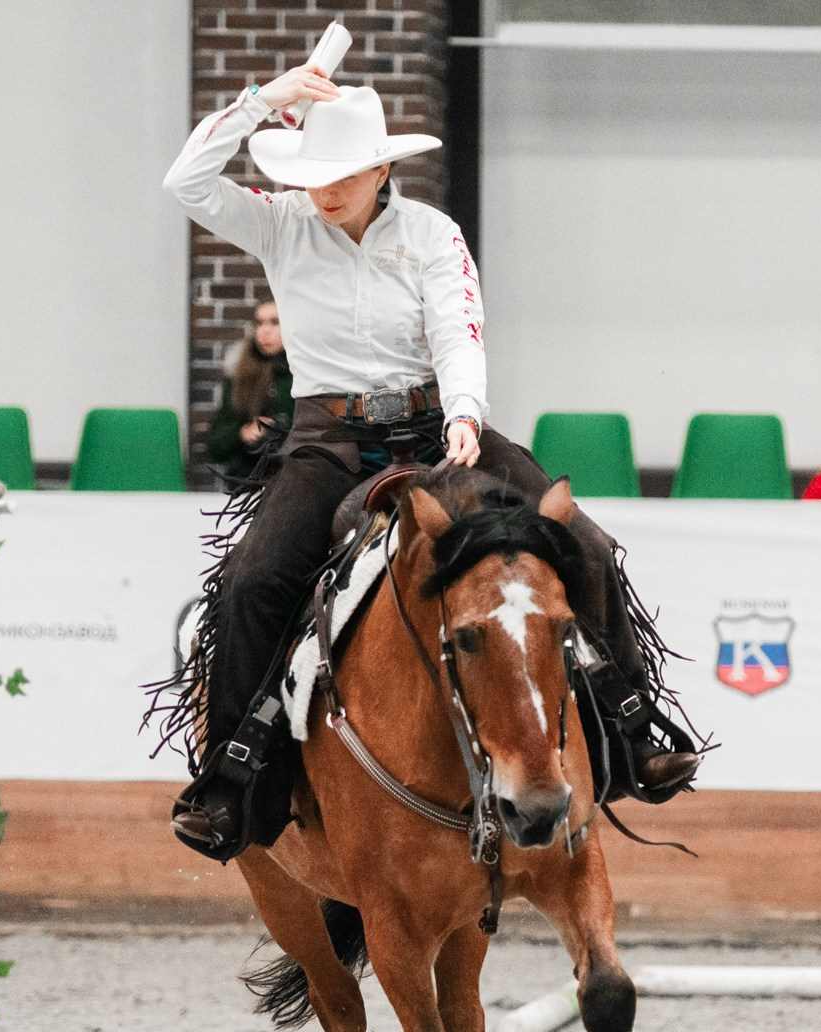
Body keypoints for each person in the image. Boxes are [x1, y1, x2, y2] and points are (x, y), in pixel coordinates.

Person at [159, 63, 699, 860]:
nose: (326, 191)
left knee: (585, 545)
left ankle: (630, 723)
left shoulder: (433, 235)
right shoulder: (279, 223)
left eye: (344, 174)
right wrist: (264, 103)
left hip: (438, 427)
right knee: (253, 580)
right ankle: (236, 778)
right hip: (324, 443)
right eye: (315, 175)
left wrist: (465, 415)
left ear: (383, 169)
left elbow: (457, 330)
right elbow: (187, 180)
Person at [205, 299, 293, 482]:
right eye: (259, 323)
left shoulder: (301, 376)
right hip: (247, 477)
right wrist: (244, 432)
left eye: (275, 322)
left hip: (292, 475)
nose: (265, 331)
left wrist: (280, 429)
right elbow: (215, 445)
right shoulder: (240, 375)